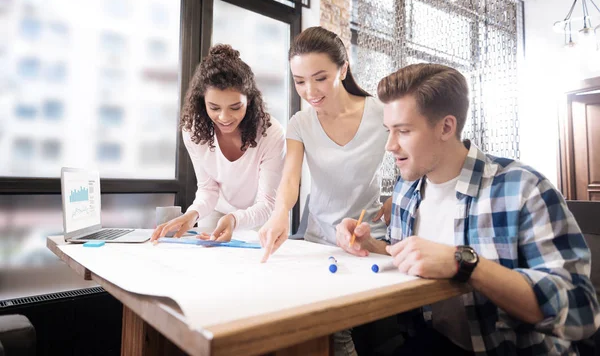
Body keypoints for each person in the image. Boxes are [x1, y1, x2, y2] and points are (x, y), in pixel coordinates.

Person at [336, 63, 600, 354]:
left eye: (403, 131)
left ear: (446, 127)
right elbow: (414, 257)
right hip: (430, 342)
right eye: (389, 131)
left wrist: (465, 264)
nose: (389, 145)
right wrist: (371, 245)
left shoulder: (522, 188)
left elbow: (582, 313)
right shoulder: (406, 189)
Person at [258, 26, 393, 356]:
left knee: (338, 331)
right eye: (299, 81)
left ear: (343, 68)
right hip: (319, 240)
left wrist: (397, 198)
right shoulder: (300, 123)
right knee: (323, 330)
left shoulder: (382, 113)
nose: (309, 90)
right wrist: (278, 217)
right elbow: (291, 181)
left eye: (320, 78)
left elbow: (412, 160)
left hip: (367, 239)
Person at [151, 44, 285, 243]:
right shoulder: (194, 131)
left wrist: (234, 219)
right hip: (216, 211)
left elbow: (267, 203)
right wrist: (193, 214)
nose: (224, 117)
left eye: (235, 107)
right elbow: (208, 188)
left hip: (261, 216)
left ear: (249, 101)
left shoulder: (271, 133)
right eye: (214, 107)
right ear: (201, 102)